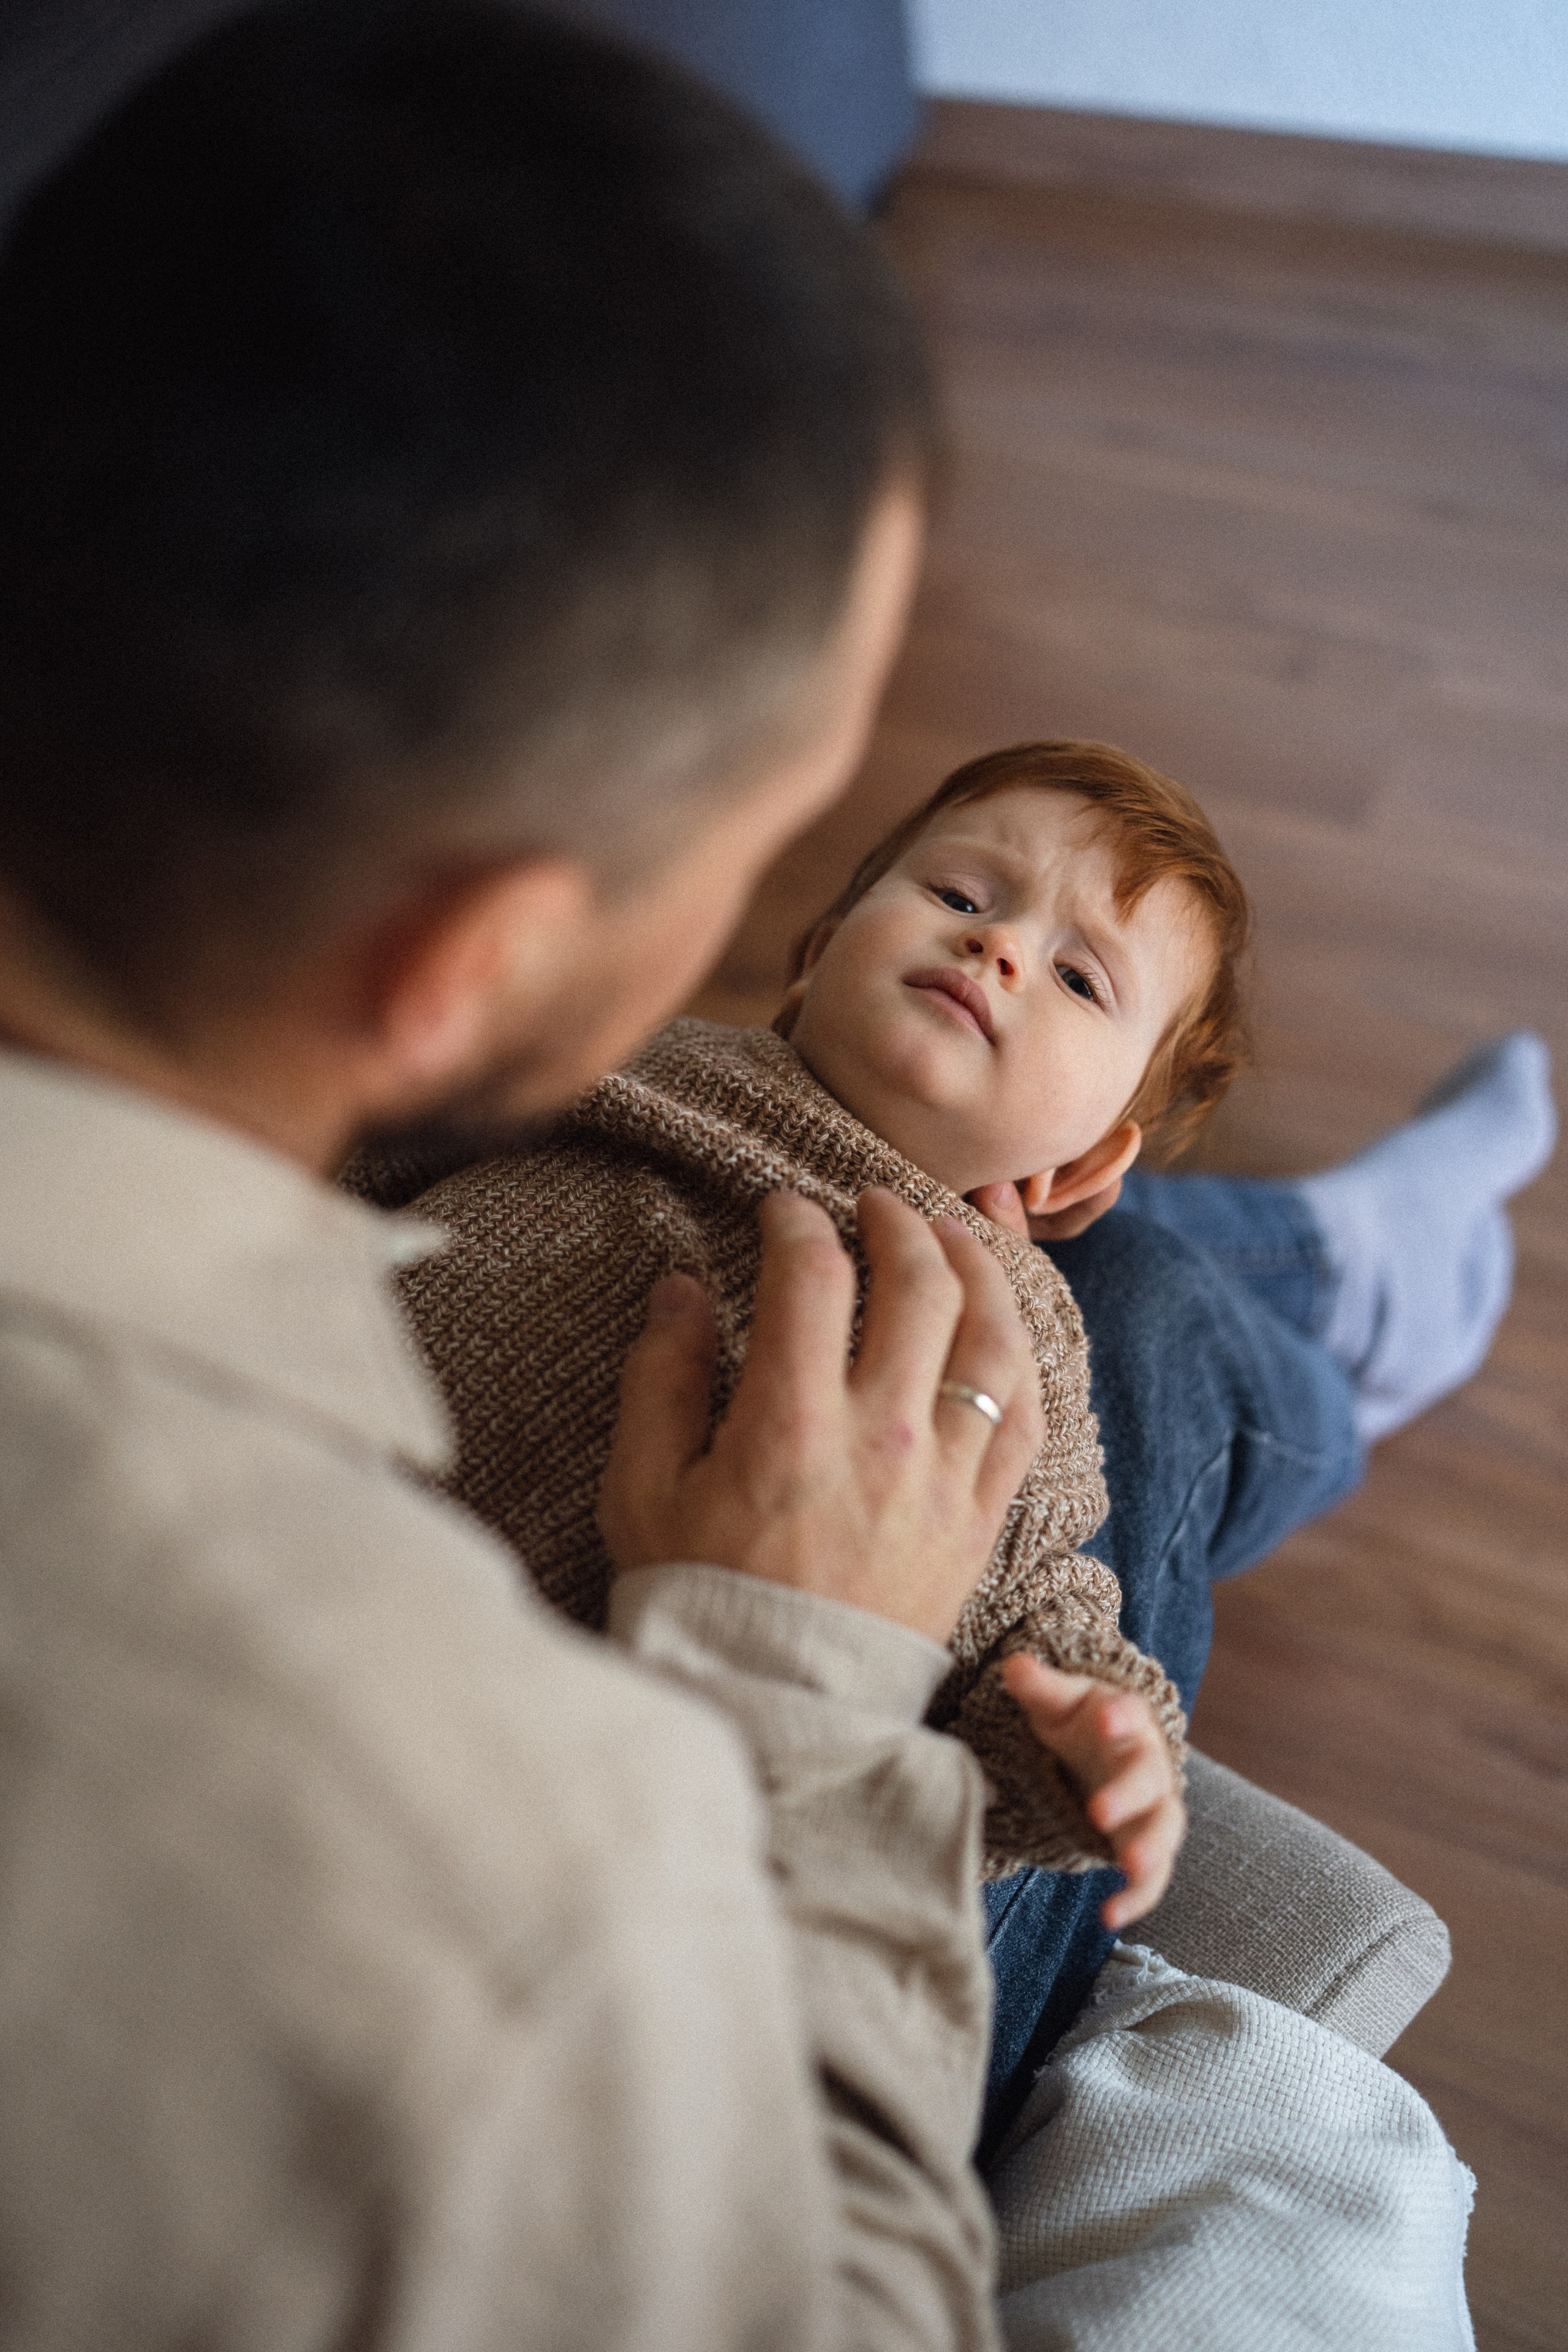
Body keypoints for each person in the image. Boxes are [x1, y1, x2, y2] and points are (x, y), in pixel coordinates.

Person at [0, 5, 1069, 2342]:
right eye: (794, 841)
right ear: (469, 961)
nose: (986, 957)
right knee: (1180, 1358)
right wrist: (803, 1699)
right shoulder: (521, 1880)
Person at [354, 736, 1555, 2149]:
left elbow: (1040, 1592)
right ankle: (1341, 1281)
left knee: (1139, 1307)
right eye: (961, 897)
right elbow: (382, 1156)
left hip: (566, 1766)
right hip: (335, 1555)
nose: (994, 954)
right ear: (814, 951)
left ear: (1092, 1160)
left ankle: (1334, 1297)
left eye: (1075, 977)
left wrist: (1090, 1733)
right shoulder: (633, 1065)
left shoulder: (1020, 1342)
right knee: (1156, 1295)